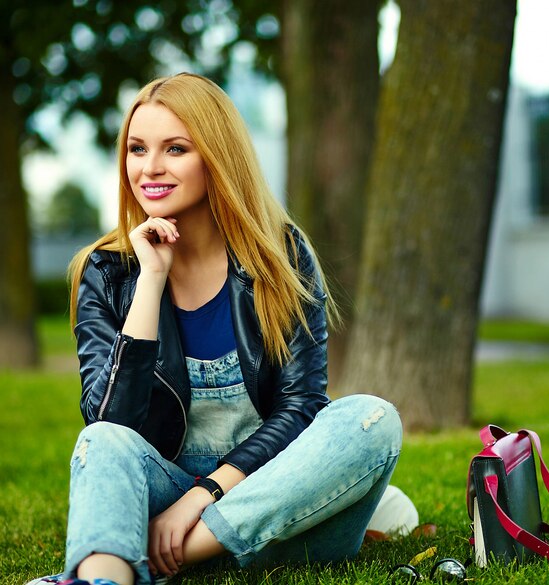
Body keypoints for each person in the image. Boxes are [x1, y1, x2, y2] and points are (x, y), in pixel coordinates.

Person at [27, 72, 402, 585]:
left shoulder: (281, 254)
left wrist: (204, 499)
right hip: (167, 484)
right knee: (103, 443)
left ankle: (170, 557)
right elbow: (111, 422)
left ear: (216, 156)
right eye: (137, 149)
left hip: (279, 507)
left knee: (371, 419)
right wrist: (151, 281)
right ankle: (102, 578)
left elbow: (301, 407)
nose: (150, 168)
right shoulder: (107, 270)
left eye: (175, 149)